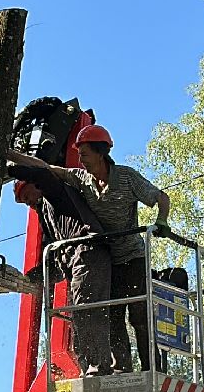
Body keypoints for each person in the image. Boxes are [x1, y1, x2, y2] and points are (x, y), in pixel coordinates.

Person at [0, 146, 113, 376]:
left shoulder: (56, 192)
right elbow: (56, 260)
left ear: (33, 186)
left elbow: (42, 171)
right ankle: (89, 367)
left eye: (26, 196)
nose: (28, 203)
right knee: (79, 314)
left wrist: (12, 168)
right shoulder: (48, 217)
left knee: (85, 311)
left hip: (88, 253)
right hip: (77, 261)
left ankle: (97, 366)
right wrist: (33, 278)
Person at [68, 124, 171, 374]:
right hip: (109, 262)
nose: (81, 161)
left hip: (133, 257)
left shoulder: (125, 177)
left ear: (101, 153)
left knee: (139, 315)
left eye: (85, 155)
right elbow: (50, 171)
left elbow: (161, 198)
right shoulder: (83, 180)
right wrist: (12, 157)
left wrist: (162, 221)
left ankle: (152, 369)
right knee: (112, 316)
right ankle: (122, 366)